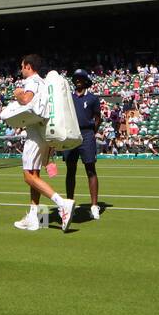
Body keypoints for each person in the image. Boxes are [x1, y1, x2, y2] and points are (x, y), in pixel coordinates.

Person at [11, 55, 75, 232]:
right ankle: (33, 217)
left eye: (22, 66)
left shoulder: (31, 81)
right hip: (43, 134)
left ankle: (63, 204)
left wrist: (18, 94)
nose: (21, 69)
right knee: (35, 176)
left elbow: (26, 100)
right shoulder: (43, 82)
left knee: (28, 176)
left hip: (35, 135)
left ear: (29, 67)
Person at [64, 69, 102, 221]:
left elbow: (98, 117)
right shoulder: (68, 98)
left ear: (86, 81)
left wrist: (93, 132)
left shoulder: (93, 98)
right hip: (71, 135)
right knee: (70, 170)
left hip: (86, 134)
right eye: (76, 78)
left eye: (81, 78)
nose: (78, 80)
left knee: (90, 170)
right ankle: (69, 205)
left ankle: (94, 206)